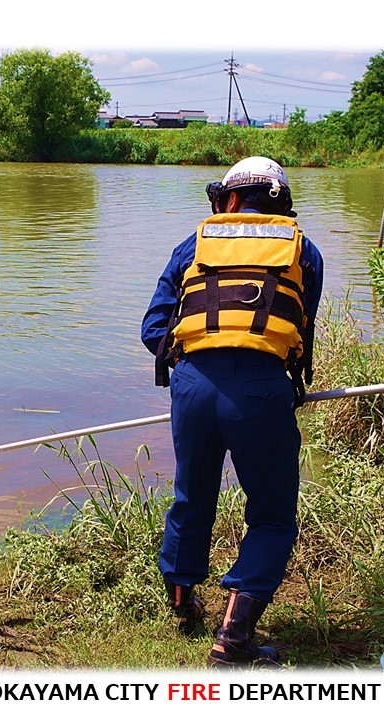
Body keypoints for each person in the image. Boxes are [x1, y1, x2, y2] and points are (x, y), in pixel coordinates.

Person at [140, 156, 324, 667]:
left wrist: (191, 364)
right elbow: (301, 331)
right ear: (281, 200)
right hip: (263, 391)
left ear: (230, 198)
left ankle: (184, 607)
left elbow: (154, 329)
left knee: (191, 496)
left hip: (193, 385)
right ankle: (234, 635)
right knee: (270, 515)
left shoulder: (191, 245)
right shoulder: (303, 249)